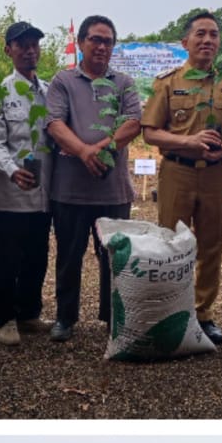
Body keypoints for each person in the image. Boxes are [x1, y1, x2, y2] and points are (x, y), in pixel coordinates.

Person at [141, 11, 222, 345]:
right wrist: (188, 141)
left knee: (211, 245)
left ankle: (202, 315)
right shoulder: (168, 83)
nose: (208, 40)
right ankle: (172, 312)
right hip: (177, 172)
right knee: (172, 244)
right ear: (185, 42)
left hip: (215, 175)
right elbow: (150, 132)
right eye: (200, 34)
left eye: (214, 35)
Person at [46, 18, 142, 342]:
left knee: (115, 257)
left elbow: (132, 123)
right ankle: (65, 317)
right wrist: (84, 152)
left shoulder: (124, 82)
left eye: (108, 41)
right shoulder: (63, 81)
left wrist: (98, 150)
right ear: (82, 41)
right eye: (96, 40)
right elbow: (54, 123)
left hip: (113, 190)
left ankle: (114, 317)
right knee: (68, 256)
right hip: (70, 190)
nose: (102, 47)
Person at [0, 20, 53, 345]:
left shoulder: (51, 91)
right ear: (8, 50)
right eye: (22, 45)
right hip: (10, 193)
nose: (29, 50)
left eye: (34, 45)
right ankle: (5, 318)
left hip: (44, 192)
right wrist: (12, 170)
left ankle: (29, 313)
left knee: (38, 255)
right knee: (9, 258)